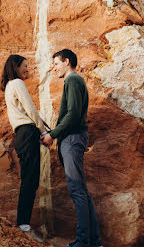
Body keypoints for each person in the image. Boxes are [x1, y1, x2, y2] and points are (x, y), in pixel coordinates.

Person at [41, 49, 102, 247]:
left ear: (67, 61)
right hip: (74, 139)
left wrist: (52, 134)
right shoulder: (74, 81)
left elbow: (74, 114)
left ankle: (83, 242)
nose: (54, 67)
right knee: (82, 191)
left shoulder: (73, 80)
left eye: (56, 63)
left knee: (77, 191)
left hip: (72, 140)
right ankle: (93, 241)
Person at [1, 54, 47, 242]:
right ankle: (23, 225)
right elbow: (31, 110)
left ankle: (23, 223)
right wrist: (44, 132)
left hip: (23, 135)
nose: (28, 69)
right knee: (30, 179)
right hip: (28, 133)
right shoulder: (17, 83)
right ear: (16, 67)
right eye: (25, 66)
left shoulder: (10, 86)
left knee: (30, 178)